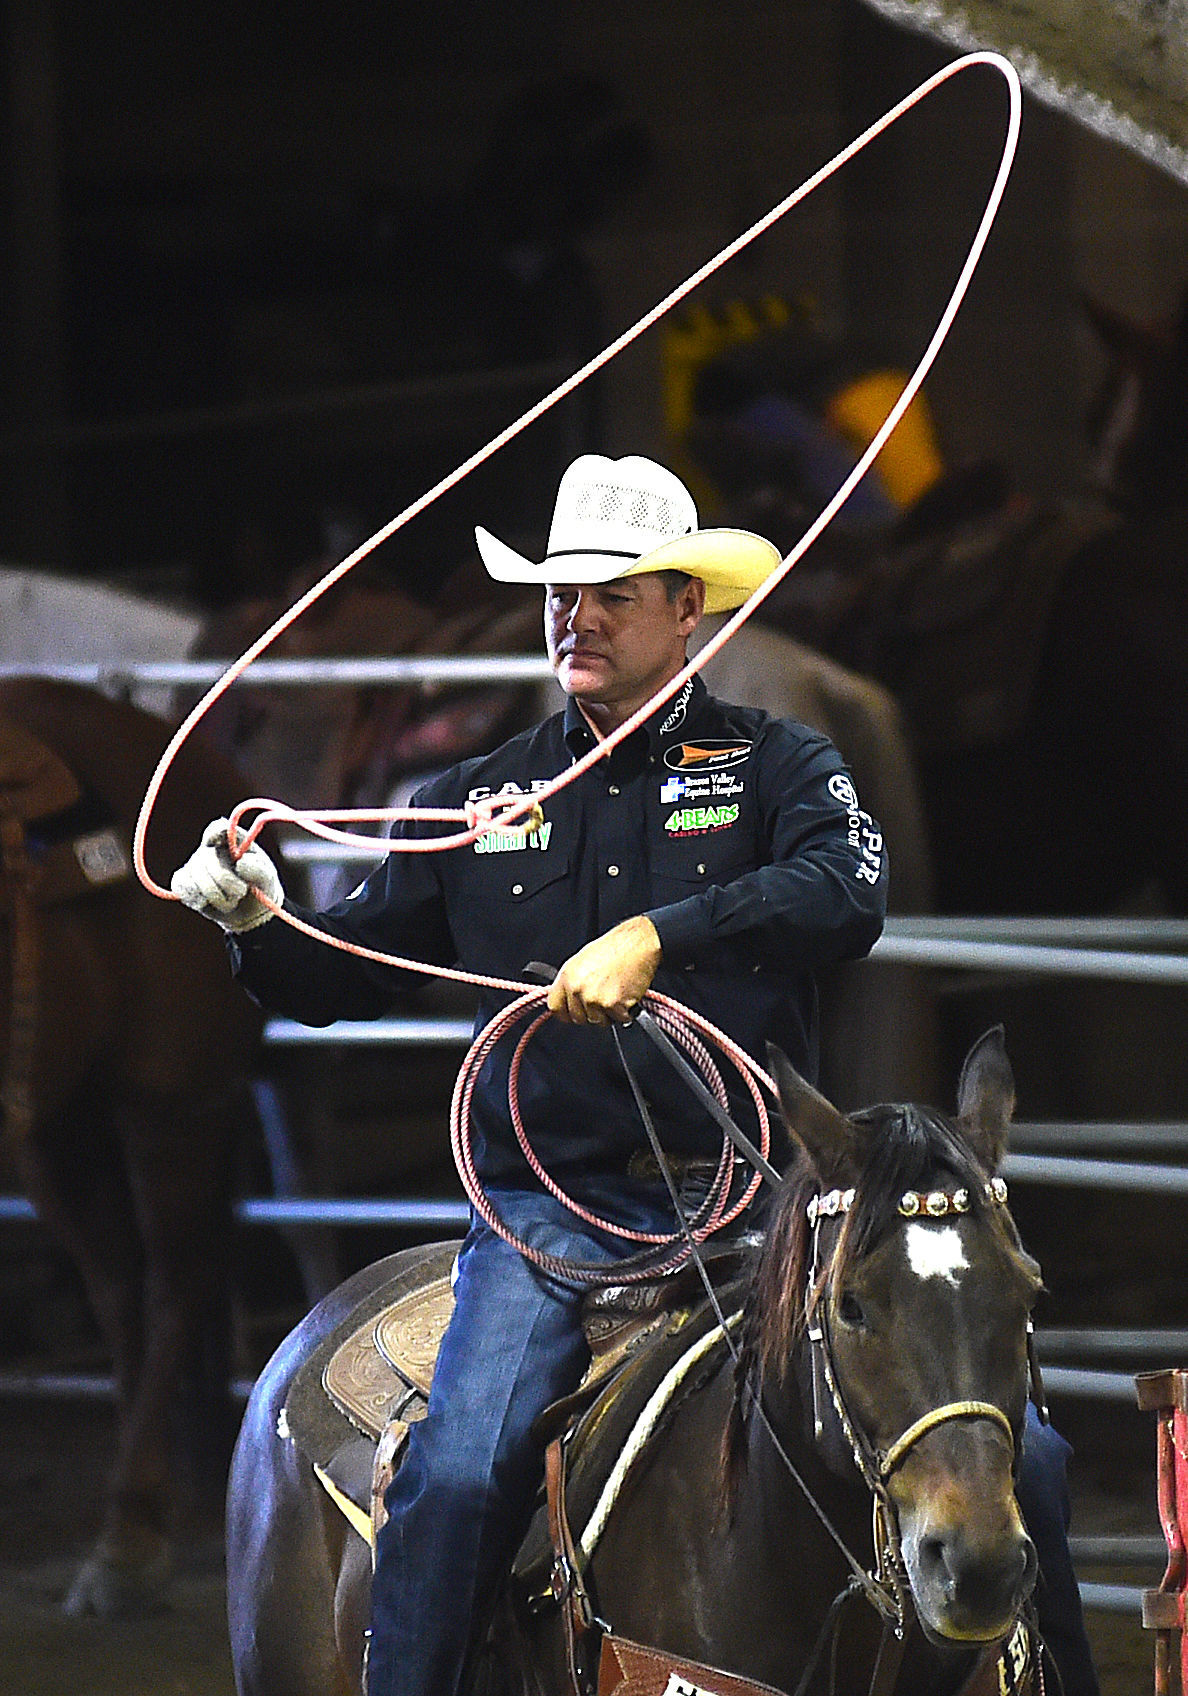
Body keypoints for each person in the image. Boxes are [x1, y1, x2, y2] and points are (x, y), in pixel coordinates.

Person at [171, 454, 1095, 1696]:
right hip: (549, 1224)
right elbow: (341, 973)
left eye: (613, 592)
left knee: (1024, 1452)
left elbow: (846, 891)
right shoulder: (480, 801)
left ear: (685, 613)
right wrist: (252, 925)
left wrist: (664, 934)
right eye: (562, 591)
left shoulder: (779, 768)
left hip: (765, 1202)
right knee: (459, 1470)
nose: (577, 614)